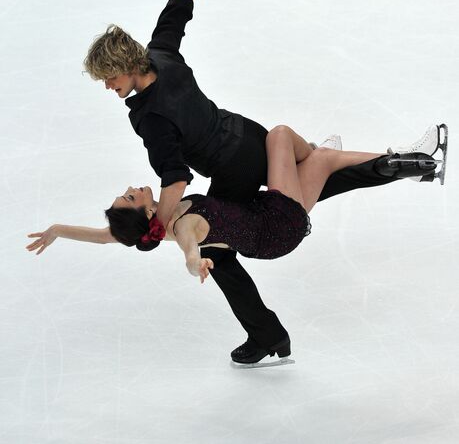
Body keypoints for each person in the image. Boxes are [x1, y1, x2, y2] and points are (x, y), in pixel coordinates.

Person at [55, 0, 446, 365]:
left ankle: (267, 335)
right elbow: (180, 4)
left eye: (109, 78)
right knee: (312, 175)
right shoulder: (161, 53)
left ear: (125, 66)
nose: (108, 87)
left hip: (231, 166)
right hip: (249, 133)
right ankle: (397, 165)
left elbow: (176, 178)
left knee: (220, 247)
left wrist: (160, 227)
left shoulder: (150, 118)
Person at [26, 124, 445, 363]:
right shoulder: (184, 225)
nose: (134, 187)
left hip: (270, 221)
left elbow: (104, 237)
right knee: (282, 137)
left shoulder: (161, 220)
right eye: (132, 196)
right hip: (277, 226)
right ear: (148, 214)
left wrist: (59, 229)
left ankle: (404, 164)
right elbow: (191, 250)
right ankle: (391, 158)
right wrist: (196, 264)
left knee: (323, 163)